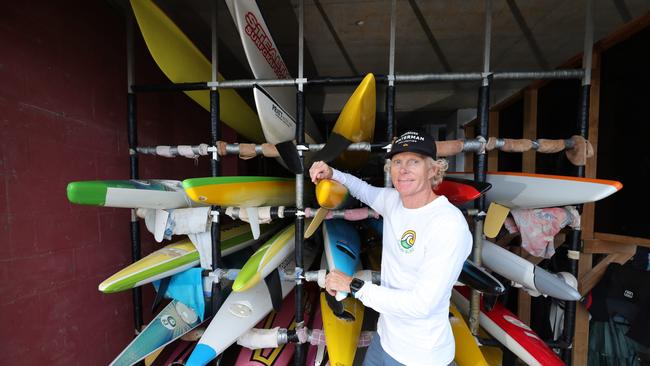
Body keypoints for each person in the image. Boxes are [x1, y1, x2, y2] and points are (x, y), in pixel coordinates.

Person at [309, 130, 472, 366]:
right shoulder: (393, 201)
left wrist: (354, 286)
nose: (403, 169)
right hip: (385, 341)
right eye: (397, 162)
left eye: (414, 161)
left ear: (433, 170)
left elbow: (421, 305)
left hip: (421, 357)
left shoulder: (447, 224)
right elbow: (362, 190)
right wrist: (332, 173)